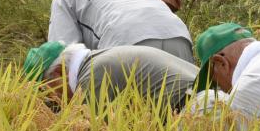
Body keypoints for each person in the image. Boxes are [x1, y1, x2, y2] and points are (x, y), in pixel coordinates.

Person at [47, 0, 193, 63]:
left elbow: (64, 57)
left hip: (126, 37)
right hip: (178, 34)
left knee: (119, 111)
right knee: (179, 108)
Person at [22, 41, 196, 113]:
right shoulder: (97, 60)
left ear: (59, 72)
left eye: (47, 89)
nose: (53, 98)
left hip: (199, 106)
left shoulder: (93, 76)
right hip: (204, 94)